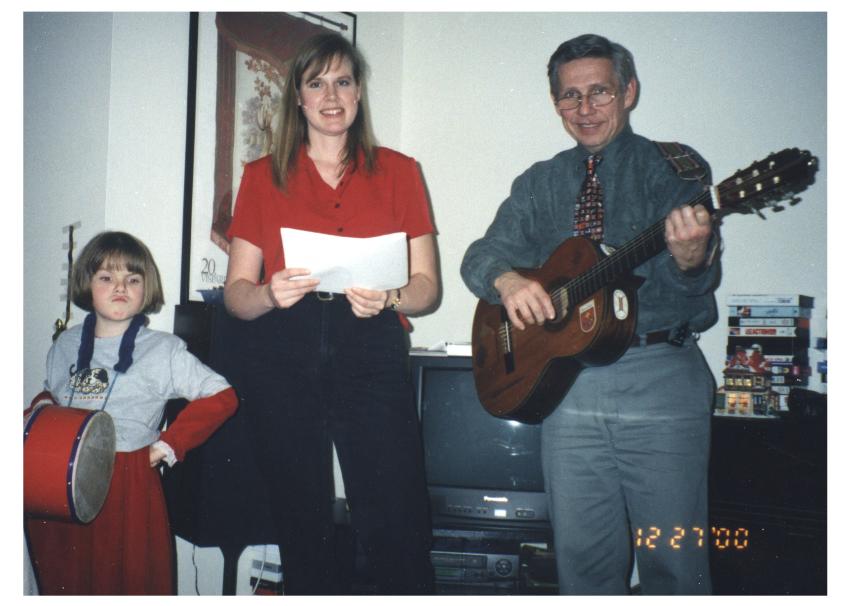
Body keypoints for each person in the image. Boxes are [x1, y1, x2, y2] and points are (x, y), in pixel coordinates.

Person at [460, 34, 720, 594]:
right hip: (569, 387)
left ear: (628, 91)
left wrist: (692, 256)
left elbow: (695, 284)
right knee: (582, 563)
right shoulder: (540, 181)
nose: (585, 109)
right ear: (555, 103)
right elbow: (481, 255)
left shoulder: (669, 169)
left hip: (660, 378)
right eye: (569, 97)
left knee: (672, 559)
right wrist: (506, 280)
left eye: (599, 91)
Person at [223, 32, 439, 594]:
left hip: (369, 341)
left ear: (360, 92)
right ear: (297, 96)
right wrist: (270, 293)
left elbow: (427, 288)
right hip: (284, 347)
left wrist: (390, 298)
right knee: (301, 521)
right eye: (316, 83)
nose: (331, 95)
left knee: (395, 513)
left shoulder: (399, 171)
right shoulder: (261, 175)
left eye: (343, 81)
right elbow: (236, 296)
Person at [25, 231, 238, 594]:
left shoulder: (163, 350)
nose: (120, 286)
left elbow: (222, 396)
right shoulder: (66, 343)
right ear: (87, 284)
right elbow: (53, 394)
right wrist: (41, 409)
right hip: (59, 482)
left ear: (145, 287)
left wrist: (169, 445)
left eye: (132, 279)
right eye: (107, 277)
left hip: (127, 479)